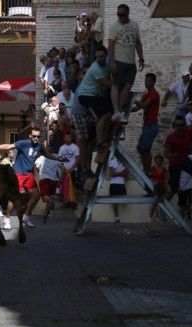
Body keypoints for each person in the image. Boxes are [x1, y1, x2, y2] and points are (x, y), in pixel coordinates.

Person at [0, 127, 67, 228]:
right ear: (30, 136)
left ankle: (26, 217)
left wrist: (59, 158)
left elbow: (48, 155)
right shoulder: (23, 143)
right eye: (34, 136)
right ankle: (6, 219)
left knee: (36, 195)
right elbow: (8, 146)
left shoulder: (40, 146)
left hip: (28, 174)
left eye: (38, 136)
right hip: (18, 173)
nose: (36, 138)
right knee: (13, 198)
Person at [73, 45, 113, 183]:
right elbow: (109, 84)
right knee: (83, 142)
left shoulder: (105, 66)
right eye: (97, 57)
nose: (100, 59)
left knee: (89, 143)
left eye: (102, 56)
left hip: (89, 107)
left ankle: (87, 169)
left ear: (106, 56)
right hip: (80, 112)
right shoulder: (96, 68)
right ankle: (84, 171)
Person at [109, 3, 144, 124]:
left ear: (127, 13)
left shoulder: (134, 25)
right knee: (116, 85)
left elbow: (138, 43)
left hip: (131, 62)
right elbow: (110, 46)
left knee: (127, 87)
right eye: (118, 15)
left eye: (122, 15)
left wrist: (141, 58)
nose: (120, 17)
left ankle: (118, 112)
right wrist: (112, 62)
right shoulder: (114, 26)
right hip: (119, 61)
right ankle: (116, 111)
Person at [129, 73, 160, 175]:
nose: (147, 82)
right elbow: (136, 108)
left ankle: (147, 171)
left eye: (149, 80)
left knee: (146, 149)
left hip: (152, 125)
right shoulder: (146, 95)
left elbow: (144, 105)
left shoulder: (154, 94)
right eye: (146, 80)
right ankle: (145, 170)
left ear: (154, 82)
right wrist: (126, 110)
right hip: (146, 126)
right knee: (140, 149)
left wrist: (132, 98)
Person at [163, 116, 192, 202]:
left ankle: (186, 207)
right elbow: (166, 154)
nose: (180, 127)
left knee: (191, 185)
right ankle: (161, 207)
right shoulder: (170, 138)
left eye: (182, 125)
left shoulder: (189, 131)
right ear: (174, 126)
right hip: (175, 165)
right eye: (177, 125)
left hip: (186, 162)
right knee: (174, 190)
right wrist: (172, 155)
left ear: (185, 125)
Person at [35, 155, 63, 223]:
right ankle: (45, 215)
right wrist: (61, 178)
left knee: (46, 199)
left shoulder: (41, 157)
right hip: (54, 180)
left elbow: (37, 166)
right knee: (49, 198)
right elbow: (62, 167)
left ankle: (45, 212)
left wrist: (40, 173)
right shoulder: (56, 157)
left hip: (44, 179)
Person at [58, 133, 80, 206]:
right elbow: (59, 159)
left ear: (71, 138)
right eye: (66, 137)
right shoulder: (61, 148)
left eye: (69, 137)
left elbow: (77, 160)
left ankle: (74, 201)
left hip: (73, 170)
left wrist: (71, 168)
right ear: (64, 138)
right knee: (64, 186)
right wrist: (64, 168)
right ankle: (65, 201)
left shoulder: (75, 147)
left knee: (73, 185)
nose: (67, 139)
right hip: (64, 170)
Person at [177, 138, 192, 219]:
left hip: (191, 176)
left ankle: (187, 208)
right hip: (185, 175)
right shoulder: (184, 153)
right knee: (183, 194)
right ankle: (183, 210)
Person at [109, 157, 127, 224]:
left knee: (124, 201)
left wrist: (117, 173)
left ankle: (119, 218)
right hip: (113, 184)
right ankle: (117, 218)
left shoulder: (124, 163)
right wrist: (121, 173)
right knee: (114, 202)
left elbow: (126, 175)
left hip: (121, 184)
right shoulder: (112, 162)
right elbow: (111, 174)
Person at [149, 154, 168, 220]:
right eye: (157, 160)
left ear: (161, 161)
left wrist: (166, 187)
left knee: (161, 202)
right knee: (155, 202)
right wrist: (154, 182)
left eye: (160, 160)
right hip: (155, 187)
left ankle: (161, 218)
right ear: (155, 161)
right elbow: (150, 178)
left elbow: (165, 179)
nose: (158, 161)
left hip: (162, 187)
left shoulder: (164, 169)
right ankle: (150, 218)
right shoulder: (152, 168)